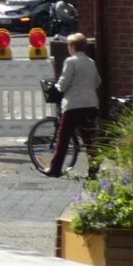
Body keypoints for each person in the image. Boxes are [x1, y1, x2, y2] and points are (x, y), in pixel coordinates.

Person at [46, 32, 100, 177]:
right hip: (91, 104)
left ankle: (55, 168)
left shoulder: (71, 61)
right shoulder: (91, 62)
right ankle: (94, 169)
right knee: (89, 139)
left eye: (69, 45)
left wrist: (57, 87)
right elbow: (97, 82)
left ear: (73, 46)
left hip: (74, 105)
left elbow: (63, 84)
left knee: (63, 138)